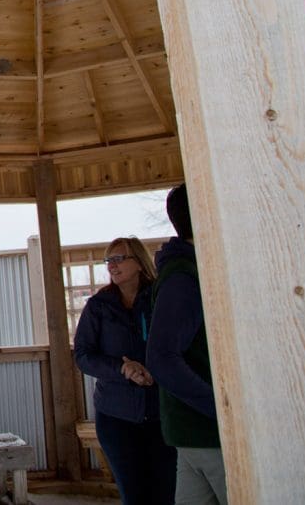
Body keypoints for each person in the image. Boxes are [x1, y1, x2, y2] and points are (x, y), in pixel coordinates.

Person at [74, 237, 177, 505]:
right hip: (116, 415)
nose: (112, 265)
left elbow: (179, 343)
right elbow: (83, 356)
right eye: (109, 260)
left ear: (140, 263)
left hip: (162, 413)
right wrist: (121, 368)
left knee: (166, 492)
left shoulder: (161, 298)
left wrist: (158, 370)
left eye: (119, 259)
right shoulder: (99, 306)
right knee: (134, 494)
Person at [146, 184, 228, 504]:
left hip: (194, 432)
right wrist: (219, 409)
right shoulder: (184, 277)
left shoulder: (191, 270)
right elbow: (163, 357)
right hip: (208, 433)